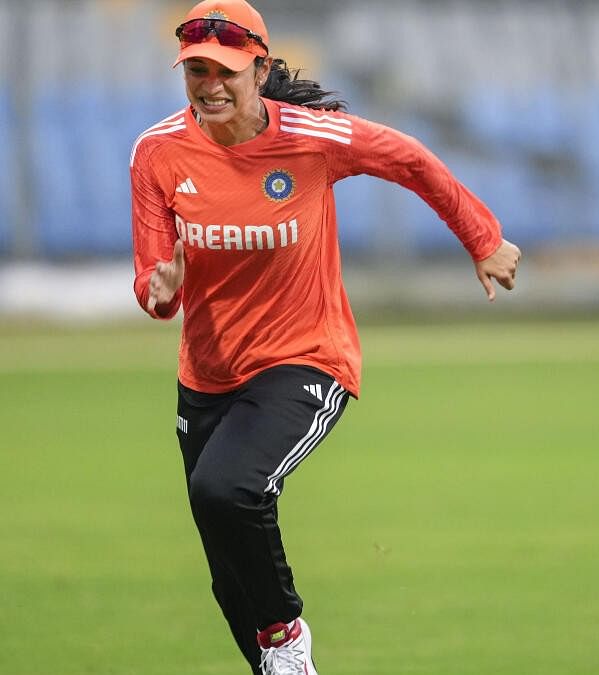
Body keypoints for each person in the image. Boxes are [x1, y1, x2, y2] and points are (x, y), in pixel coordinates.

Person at [129, 1, 521, 672]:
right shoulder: (157, 152)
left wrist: (483, 238)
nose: (210, 84)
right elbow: (153, 276)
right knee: (228, 570)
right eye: (196, 69)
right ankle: (279, 660)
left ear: (260, 68)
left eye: (225, 70)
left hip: (305, 359)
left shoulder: (312, 137)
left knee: (226, 489)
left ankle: (287, 636)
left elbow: (410, 160)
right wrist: (159, 290)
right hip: (207, 374)